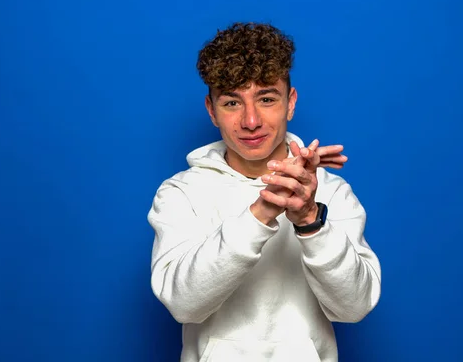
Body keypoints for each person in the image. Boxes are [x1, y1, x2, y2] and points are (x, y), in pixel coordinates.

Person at [147, 22, 381, 362]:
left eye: (267, 98)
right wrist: (262, 212)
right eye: (231, 103)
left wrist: (309, 220)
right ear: (212, 110)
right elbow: (184, 305)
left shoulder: (330, 192)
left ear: (290, 102)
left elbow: (354, 307)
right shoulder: (180, 193)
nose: (251, 121)